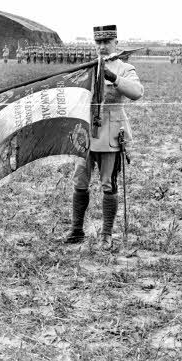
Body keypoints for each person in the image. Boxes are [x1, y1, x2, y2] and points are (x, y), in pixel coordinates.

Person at [65, 24, 144, 248]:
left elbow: (137, 93)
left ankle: (106, 235)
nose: (102, 46)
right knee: (80, 182)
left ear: (115, 43)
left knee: (108, 184)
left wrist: (114, 78)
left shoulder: (125, 68)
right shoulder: (87, 68)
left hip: (110, 134)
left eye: (106, 42)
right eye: (98, 42)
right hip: (85, 133)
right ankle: (77, 230)